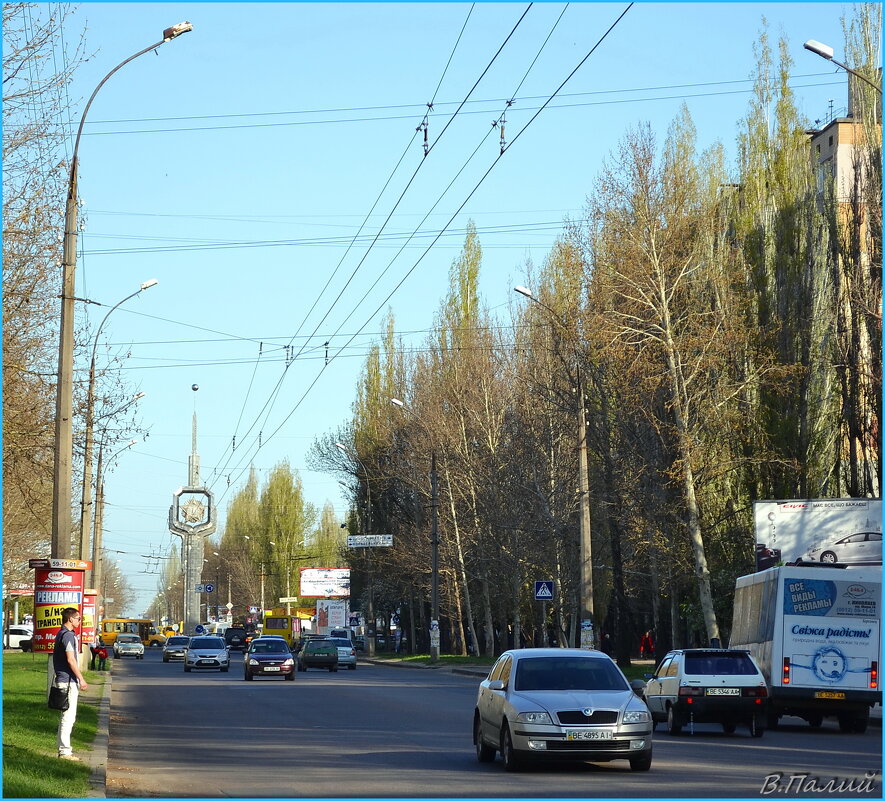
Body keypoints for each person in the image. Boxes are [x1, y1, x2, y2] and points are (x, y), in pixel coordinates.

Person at [53, 607, 88, 761]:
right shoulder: (67, 636)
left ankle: (63, 749)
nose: (79, 621)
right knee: (68, 717)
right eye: (78, 618)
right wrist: (81, 678)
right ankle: (65, 751)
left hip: (64, 680)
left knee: (66, 716)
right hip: (67, 681)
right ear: (70, 619)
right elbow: (71, 660)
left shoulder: (62, 633)